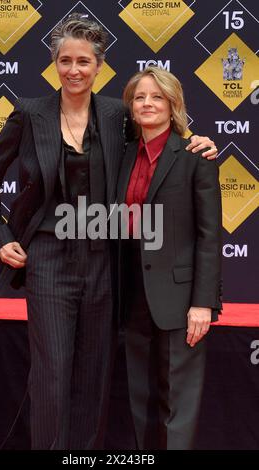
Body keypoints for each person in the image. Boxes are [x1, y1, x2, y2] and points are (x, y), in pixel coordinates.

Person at [0, 14, 218, 450]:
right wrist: (0, 233)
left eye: (83, 61)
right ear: (53, 63)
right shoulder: (29, 114)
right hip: (47, 258)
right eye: (64, 60)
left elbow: (158, 135)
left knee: (93, 374)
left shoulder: (114, 114)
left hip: (104, 259)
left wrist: (197, 139)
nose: (73, 70)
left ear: (99, 66)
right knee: (52, 373)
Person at [117, 67, 222, 450]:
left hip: (180, 300)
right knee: (138, 398)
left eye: (157, 97)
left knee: (177, 404)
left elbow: (209, 237)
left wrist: (202, 303)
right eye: (140, 97)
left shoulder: (197, 155)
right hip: (130, 295)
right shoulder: (123, 153)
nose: (147, 104)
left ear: (173, 104)